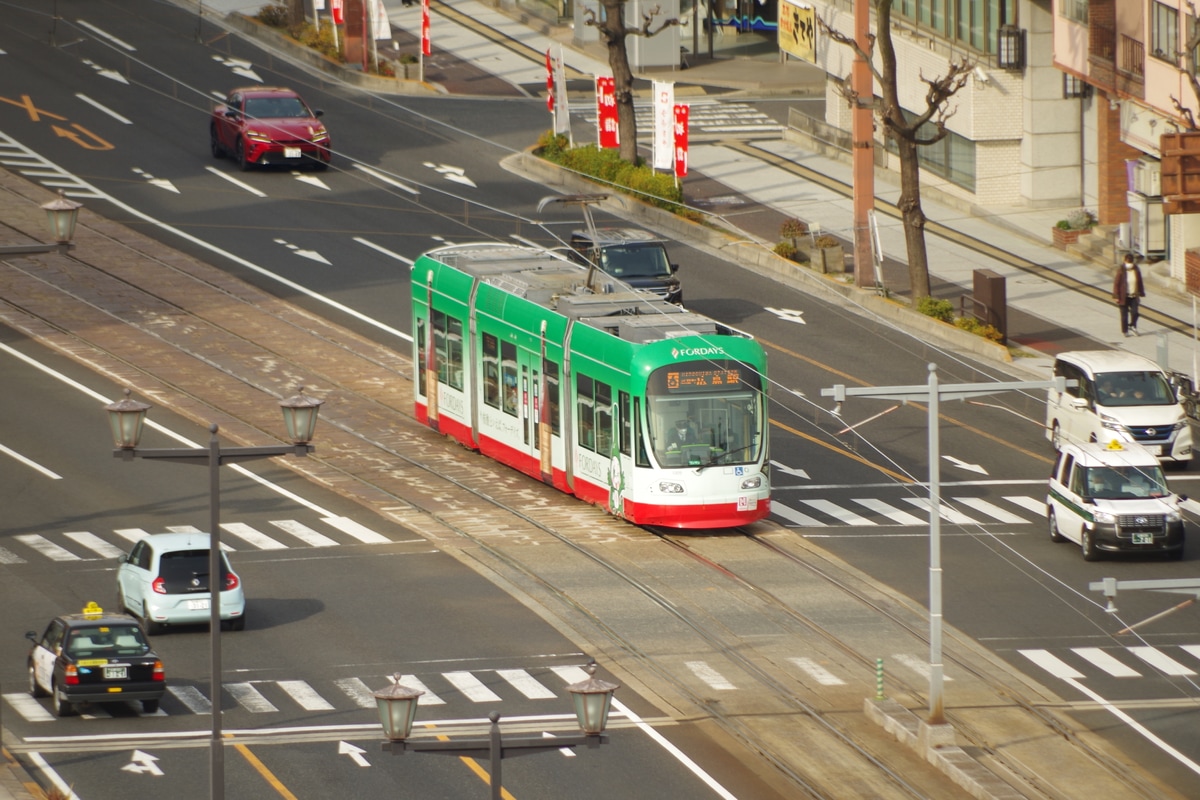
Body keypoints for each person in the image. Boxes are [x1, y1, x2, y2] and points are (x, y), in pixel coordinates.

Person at [1112, 254, 1145, 337]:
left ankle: (1132, 326)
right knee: (1124, 315)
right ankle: (1125, 330)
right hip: (1123, 296)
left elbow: (1139, 281)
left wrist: (1141, 292)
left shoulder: (1136, 270)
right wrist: (1116, 296)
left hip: (1133, 295)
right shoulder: (1121, 270)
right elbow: (1116, 283)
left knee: (1135, 313)